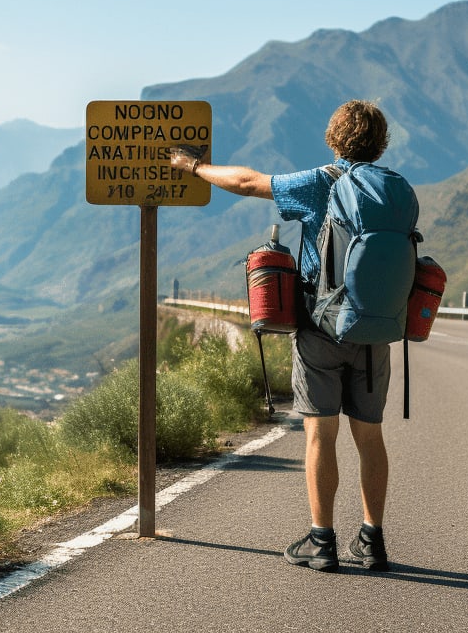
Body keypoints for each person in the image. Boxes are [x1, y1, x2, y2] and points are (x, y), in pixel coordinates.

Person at [169, 99, 397, 573]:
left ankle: (323, 542)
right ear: (380, 143)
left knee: (320, 434)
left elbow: (248, 182)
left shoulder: (323, 183)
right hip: (376, 329)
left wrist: (193, 166)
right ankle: (373, 542)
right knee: (370, 437)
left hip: (321, 328)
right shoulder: (396, 189)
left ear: (335, 138)